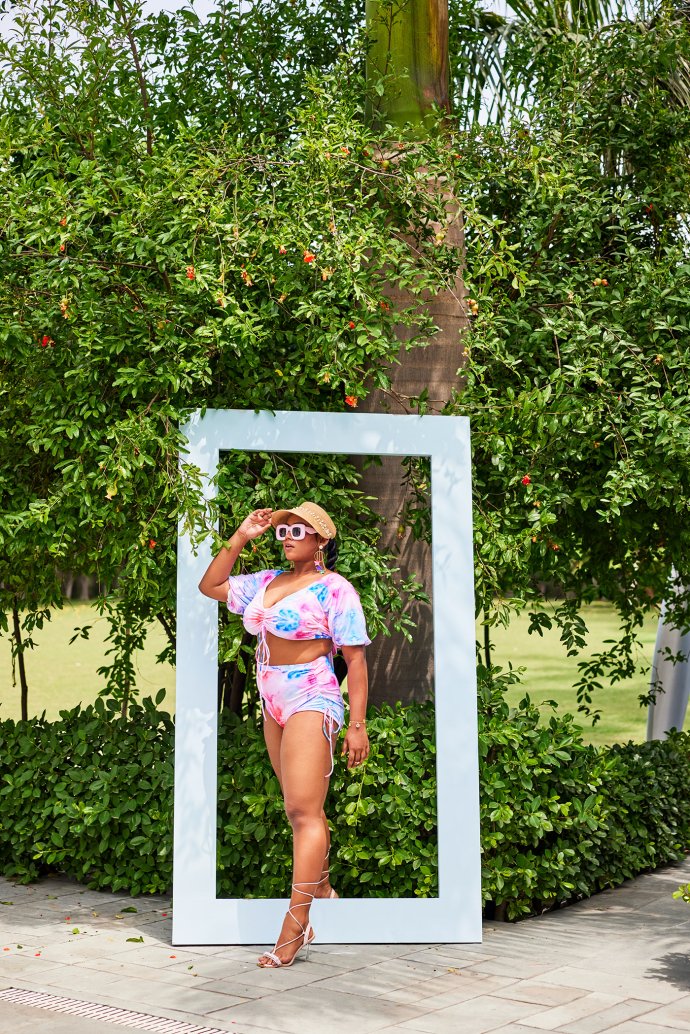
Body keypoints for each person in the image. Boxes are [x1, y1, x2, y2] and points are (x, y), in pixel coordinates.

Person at [198, 502, 371, 968]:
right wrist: (241, 536)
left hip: (311, 695)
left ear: (321, 541)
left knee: (301, 811)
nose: (289, 537)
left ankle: (296, 925)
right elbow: (210, 585)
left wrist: (357, 726)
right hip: (272, 699)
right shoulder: (268, 581)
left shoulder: (335, 589)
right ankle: (322, 886)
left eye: (299, 531)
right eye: (284, 531)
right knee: (300, 807)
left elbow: (355, 661)